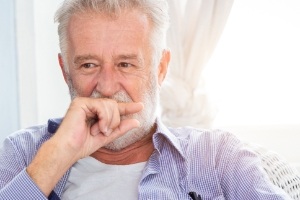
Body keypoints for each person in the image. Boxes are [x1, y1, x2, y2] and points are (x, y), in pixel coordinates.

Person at [0, 0, 292, 199]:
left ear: (161, 68)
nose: (107, 86)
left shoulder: (218, 157)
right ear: (66, 71)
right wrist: (56, 157)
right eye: (88, 65)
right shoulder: (23, 154)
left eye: (126, 64)